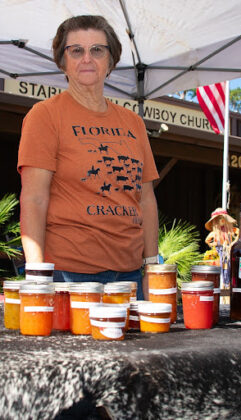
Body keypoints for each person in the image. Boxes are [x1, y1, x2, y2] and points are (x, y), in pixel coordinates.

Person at [17, 15, 159, 299]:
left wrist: (152, 268)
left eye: (97, 50)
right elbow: (34, 198)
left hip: (130, 276)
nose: (87, 59)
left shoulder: (133, 122)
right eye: (76, 50)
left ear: (111, 60)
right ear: (62, 61)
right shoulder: (44, 116)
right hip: (69, 276)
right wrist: (36, 274)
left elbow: (146, 198)